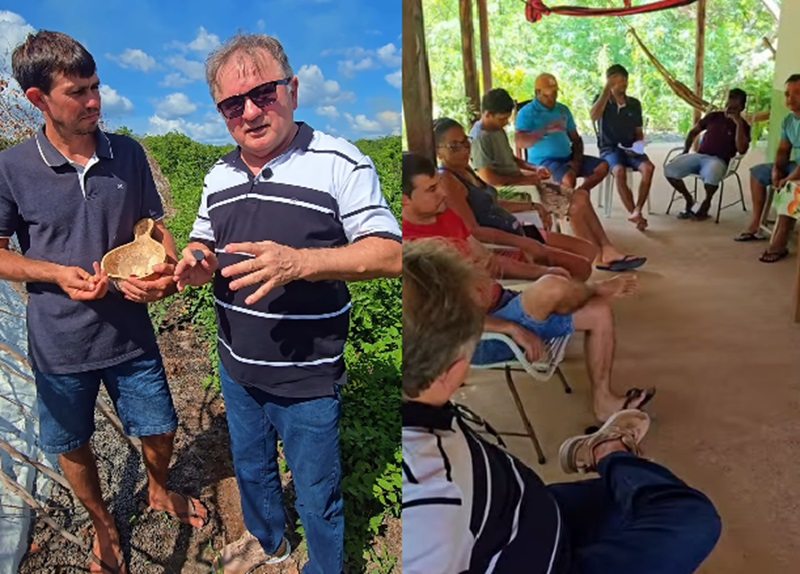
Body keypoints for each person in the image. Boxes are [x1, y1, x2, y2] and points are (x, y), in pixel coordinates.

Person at [171, 33, 401, 574]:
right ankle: (269, 543)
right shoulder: (218, 175)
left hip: (307, 378)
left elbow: (390, 252)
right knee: (251, 467)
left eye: (264, 94)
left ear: (292, 89)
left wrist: (299, 263)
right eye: (232, 105)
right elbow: (204, 245)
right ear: (221, 112)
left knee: (318, 493)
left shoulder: (339, 162)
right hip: (236, 364)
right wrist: (196, 262)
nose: (250, 113)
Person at [0, 31, 206, 574]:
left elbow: (154, 230)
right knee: (72, 443)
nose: (95, 101)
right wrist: (53, 274)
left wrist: (167, 272)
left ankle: (158, 490)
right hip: (59, 342)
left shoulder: (128, 154)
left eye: (97, 87)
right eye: (78, 92)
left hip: (129, 334)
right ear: (37, 99)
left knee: (160, 426)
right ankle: (102, 524)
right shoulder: (13, 169)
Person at [401, 237, 722, 574]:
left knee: (643, 496)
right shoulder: (425, 500)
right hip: (547, 554)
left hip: (522, 511)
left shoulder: (417, 406)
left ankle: (608, 451)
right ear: (452, 373)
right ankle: (608, 451)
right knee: (689, 517)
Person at [402, 152, 656, 423]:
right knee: (551, 288)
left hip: (502, 304)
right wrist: (510, 328)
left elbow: (490, 262)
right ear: (404, 199)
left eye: (439, 184)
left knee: (597, 310)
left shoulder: (446, 216)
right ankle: (594, 288)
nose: (442, 192)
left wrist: (541, 270)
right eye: (431, 189)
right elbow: (441, 320)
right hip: (475, 337)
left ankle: (604, 401)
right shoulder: (407, 251)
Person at [470, 88, 646, 272]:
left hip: (523, 181)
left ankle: (607, 249)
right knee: (575, 206)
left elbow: (511, 159)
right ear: (487, 114)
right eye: (502, 119)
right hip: (511, 190)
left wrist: (533, 168)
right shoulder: (479, 138)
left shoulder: (495, 128)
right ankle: (594, 256)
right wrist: (525, 179)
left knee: (581, 196)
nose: (505, 123)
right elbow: (488, 178)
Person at [434, 116, 598, 281]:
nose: (464, 150)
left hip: (517, 230)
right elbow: (474, 230)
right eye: (453, 146)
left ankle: (568, 291)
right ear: (437, 151)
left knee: (588, 250)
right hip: (504, 244)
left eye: (465, 142)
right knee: (581, 267)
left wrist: (532, 205)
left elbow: (493, 202)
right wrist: (520, 242)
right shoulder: (447, 180)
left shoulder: (465, 169)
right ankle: (565, 295)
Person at [737, 74, 800, 262]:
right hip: (794, 165)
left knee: (790, 189)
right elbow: (783, 149)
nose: (790, 98)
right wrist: (776, 170)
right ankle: (756, 224)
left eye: (797, 93)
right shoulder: (789, 120)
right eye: (788, 94)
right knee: (757, 173)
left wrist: (789, 178)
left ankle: (779, 243)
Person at [664, 88, 751, 220]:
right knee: (670, 169)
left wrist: (738, 122)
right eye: (728, 104)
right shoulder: (714, 116)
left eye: (735, 106)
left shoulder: (743, 126)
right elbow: (693, 132)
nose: (730, 108)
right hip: (699, 156)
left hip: (718, 161)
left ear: (741, 108)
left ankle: (706, 202)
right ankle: (689, 199)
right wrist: (685, 151)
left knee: (712, 173)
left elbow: (742, 149)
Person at [515, 73, 609, 193]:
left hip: (568, 158)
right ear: (537, 92)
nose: (552, 98)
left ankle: (579, 195)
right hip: (544, 161)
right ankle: (573, 201)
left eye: (555, 93)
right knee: (569, 179)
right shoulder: (526, 113)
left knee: (602, 167)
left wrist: (576, 161)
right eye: (547, 95)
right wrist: (544, 130)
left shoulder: (563, 109)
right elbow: (520, 142)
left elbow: (576, 139)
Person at [590, 64, 656, 230]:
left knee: (649, 168)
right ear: (610, 82)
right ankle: (634, 213)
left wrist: (638, 145)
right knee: (619, 171)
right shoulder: (602, 100)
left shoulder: (634, 103)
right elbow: (593, 116)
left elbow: (638, 132)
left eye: (625, 80)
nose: (623, 83)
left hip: (630, 148)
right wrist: (606, 89)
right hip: (609, 148)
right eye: (618, 80)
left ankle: (638, 209)